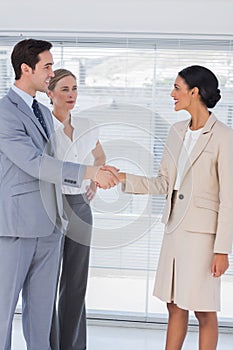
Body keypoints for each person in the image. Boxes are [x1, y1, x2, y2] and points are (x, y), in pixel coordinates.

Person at [0, 38, 119, 350]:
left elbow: (67, 155)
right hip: (17, 228)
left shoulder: (42, 110)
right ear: (26, 69)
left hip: (52, 224)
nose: (51, 73)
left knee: (40, 320)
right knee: (3, 315)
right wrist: (92, 173)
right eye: (47, 67)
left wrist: (98, 171)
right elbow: (35, 163)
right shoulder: (5, 112)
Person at [118, 65, 233, 350]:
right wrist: (123, 178)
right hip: (174, 230)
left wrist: (222, 250)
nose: (172, 94)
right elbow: (163, 183)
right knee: (174, 305)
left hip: (202, 236)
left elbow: (229, 198)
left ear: (194, 92)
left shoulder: (223, 137)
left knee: (204, 309)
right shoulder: (176, 131)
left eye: (177, 88)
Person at [47, 68, 106, 350]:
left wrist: (95, 175)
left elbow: (99, 155)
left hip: (80, 207)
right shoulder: (43, 126)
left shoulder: (88, 124)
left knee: (75, 284)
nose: (71, 95)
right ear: (50, 93)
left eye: (74, 89)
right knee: (45, 283)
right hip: (49, 206)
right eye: (64, 90)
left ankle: (72, 346)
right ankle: (50, 344)